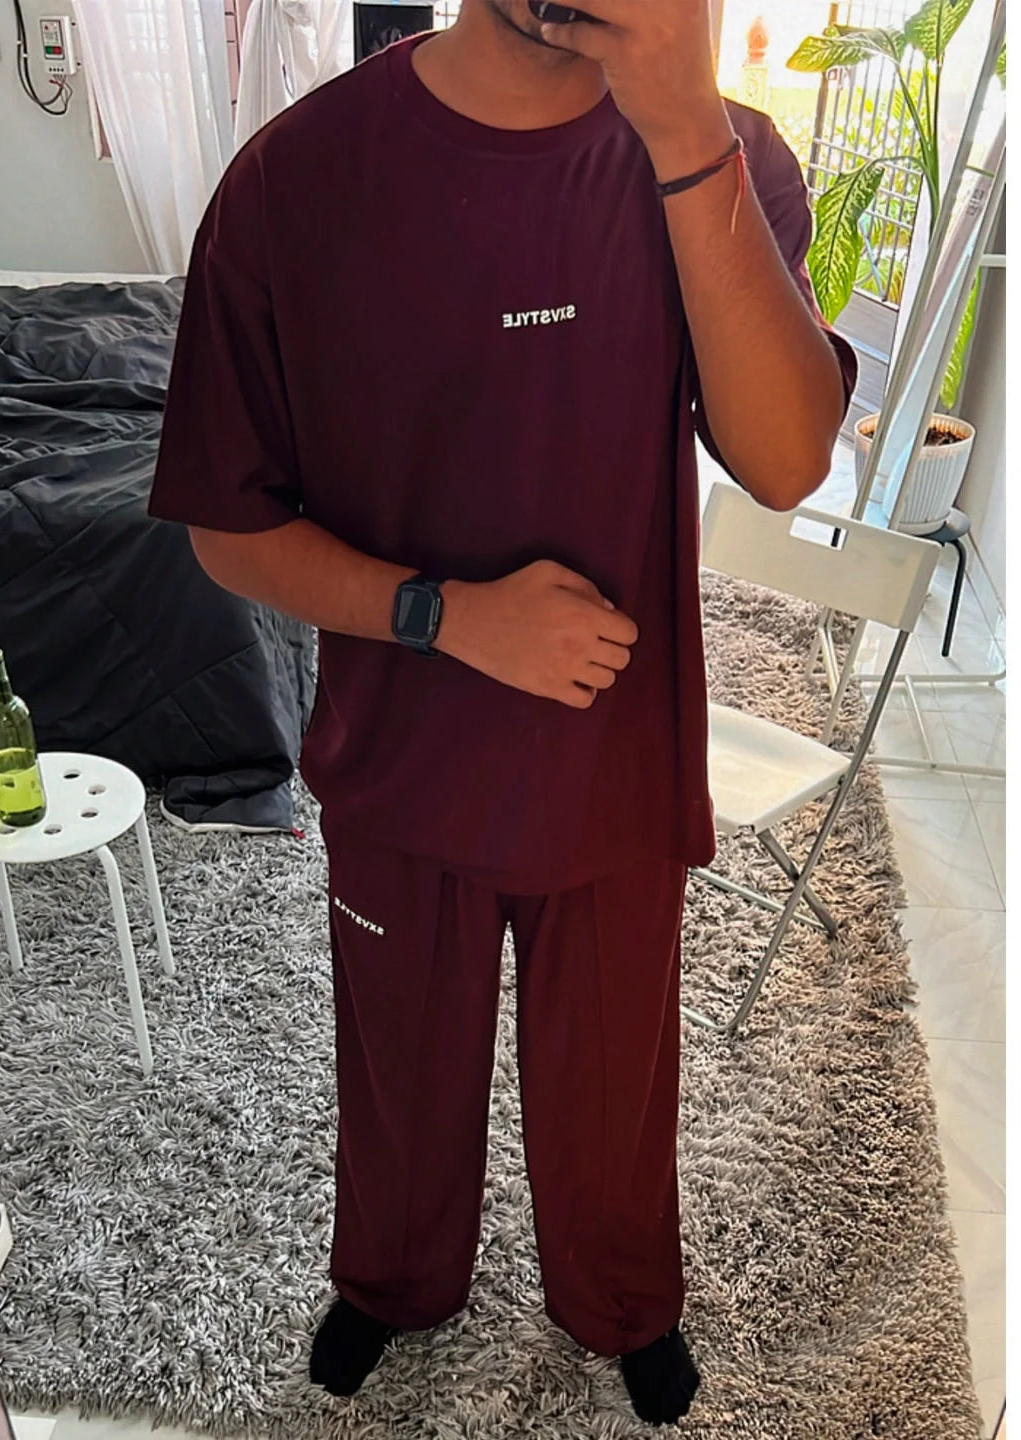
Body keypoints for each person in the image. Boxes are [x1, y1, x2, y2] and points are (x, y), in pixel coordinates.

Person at [149, 0, 856, 1424]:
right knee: (399, 1081)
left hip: (617, 769)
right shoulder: (295, 179)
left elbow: (786, 464)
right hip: (400, 766)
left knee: (614, 1095)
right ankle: (392, 1284)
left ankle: (622, 1303)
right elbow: (228, 529)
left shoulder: (724, 150)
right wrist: (450, 616)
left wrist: (680, 125)